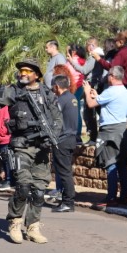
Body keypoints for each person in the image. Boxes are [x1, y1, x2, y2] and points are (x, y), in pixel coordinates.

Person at [0, 58, 62, 244]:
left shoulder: (47, 93)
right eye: (21, 70)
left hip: (41, 148)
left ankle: (33, 226)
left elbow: (57, 119)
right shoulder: (13, 91)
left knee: (39, 190)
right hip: (21, 145)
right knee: (23, 186)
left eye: (28, 71)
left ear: (37, 75)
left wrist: (52, 136)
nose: (23, 74)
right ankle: (15, 221)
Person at [83, 66, 127, 209]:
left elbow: (91, 104)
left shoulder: (111, 91)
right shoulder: (124, 91)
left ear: (111, 76)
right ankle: (124, 196)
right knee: (122, 164)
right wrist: (96, 94)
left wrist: (87, 92)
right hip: (122, 128)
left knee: (110, 163)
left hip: (110, 130)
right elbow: (104, 102)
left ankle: (111, 197)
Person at [50, 75, 79, 213]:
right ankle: (66, 200)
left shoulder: (60, 100)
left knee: (64, 172)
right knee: (66, 171)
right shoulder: (72, 97)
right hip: (71, 138)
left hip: (62, 139)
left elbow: (52, 118)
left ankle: (68, 202)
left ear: (57, 86)